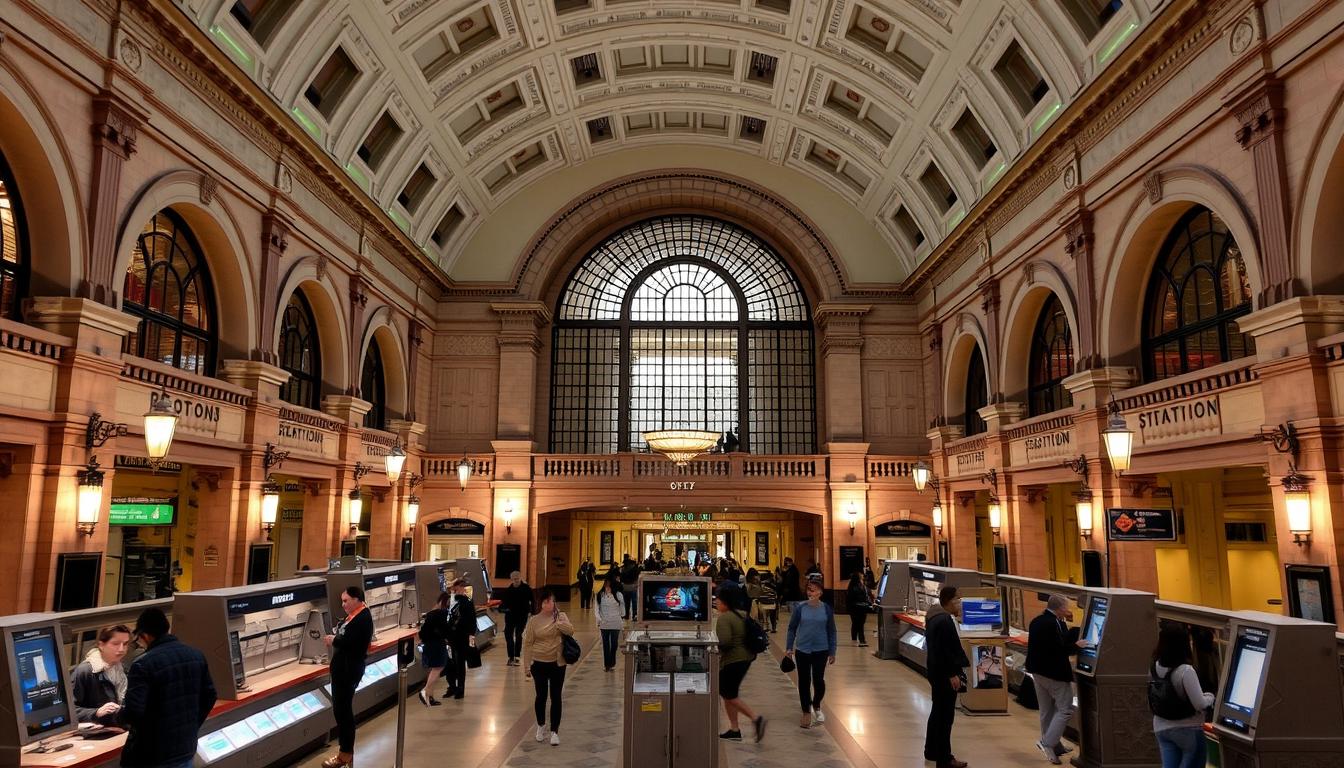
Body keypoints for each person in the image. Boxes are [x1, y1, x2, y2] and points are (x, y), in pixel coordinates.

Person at [118, 607, 216, 768]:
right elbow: (210, 695)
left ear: (146, 635)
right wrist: (190, 725)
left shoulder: (143, 665)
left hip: (152, 755)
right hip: (185, 749)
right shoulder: (196, 655)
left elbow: (133, 712)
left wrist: (115, 718)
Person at [1026, 594, 1086, 764]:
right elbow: (1057, 649)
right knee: (1065, 708)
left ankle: (1054, 747)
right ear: (1059, 608)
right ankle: (1047, 743)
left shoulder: (1038, 621)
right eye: (1066, 607)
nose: (1068, 610)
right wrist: (1077, 646)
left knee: (1047, 710)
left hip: (1037, 672)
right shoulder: (1051, 624)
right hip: (1053, 674)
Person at [1151, 623, 1214, 768]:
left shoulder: (1155, 666)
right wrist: (1210, 697)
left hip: (1161, 727)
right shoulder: (1185, 671)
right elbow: (1199, 704)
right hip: (1188, 730)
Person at [322, 586, 372, 768]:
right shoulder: (355, 617)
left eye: (346, 601)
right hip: (343, 668)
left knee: (343, 712)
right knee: (341, 710)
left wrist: (333, 640)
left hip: (348, 670)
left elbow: (353, 643)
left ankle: (345, 754)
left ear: (357, 599)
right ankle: (346, 753)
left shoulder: (362, 619)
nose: (343, 605)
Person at [714, 581, 766, 742]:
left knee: (728, 693)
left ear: (725, 603)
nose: (716, 602)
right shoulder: (742, 614)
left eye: (718, 601)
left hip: (733, 660)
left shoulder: (724, 619)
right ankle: (734, 728)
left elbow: (725, 641)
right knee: (729, 692)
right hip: (746, 657)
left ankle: (755, 718)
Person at [924, 586, 969, 768]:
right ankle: (944, 758)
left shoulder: (934, 617)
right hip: (944, 675)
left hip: (935, 672)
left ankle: (931, 750)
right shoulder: (944, 621)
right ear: (950, 600)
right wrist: (952, 674)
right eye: (958, 599)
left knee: (937, 712)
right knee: (945, 717)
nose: (960, 603)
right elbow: (945, 651)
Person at [522, 588, 574, 746]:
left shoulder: (561, 616)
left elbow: (571, 631)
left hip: (558, 663)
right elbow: (528, 644)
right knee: (541, 696)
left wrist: (559, 623)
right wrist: (526, 666)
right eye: (546, 601)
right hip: (539, 663)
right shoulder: (534, 621)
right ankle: (540, 725)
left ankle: (555, 731)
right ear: (541, 603)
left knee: (556, 696)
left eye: (551, 601)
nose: (550, 604)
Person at [786, 577, 836, 728]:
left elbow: (831, 631)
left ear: (820, 592)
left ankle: (816, 704)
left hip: (821, 650)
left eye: (813, 589)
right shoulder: (800, 608)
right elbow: (792, 628)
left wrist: (832, 651)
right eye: (808, 589)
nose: (810, 592)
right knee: (804, 681)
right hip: (802, 650)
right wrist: (789, 648)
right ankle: (806, 712)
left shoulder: (826, 609)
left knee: (818, 680)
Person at [71, 624, 132, 725]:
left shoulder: (124, 670)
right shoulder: (85, 671)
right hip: (97, 733)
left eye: (125, 644)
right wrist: (96, 712)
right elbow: (70, 711)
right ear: (101, 645)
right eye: (116, 644)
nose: (122, 649)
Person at [417, 593, 451, 707]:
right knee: (438, 668)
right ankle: (425, 691)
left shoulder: (430, 614)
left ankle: (430, 696)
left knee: (434, 670)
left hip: (429, 644)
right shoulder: (442, 614)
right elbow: (446, 630)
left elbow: (422, 632)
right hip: (437, 644)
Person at [443, 578, 475, 699]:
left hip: (462, 637)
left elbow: (472, 621)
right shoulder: (450, 601)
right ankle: (452, 686)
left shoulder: (466, 601)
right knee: (450, 662)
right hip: (451, 636)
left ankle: (460, 688)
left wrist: (471, 640)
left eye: (456, 589)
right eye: (453, 590)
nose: (454, 592)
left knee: (460, 663)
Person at [499, 571, 534, 666]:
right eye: (514, 579)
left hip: (522, 616)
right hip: (510, 616)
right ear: (512, 579)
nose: (516, 580)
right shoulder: (509, 590)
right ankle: (511, 656)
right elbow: (504, 603)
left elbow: (532, 600)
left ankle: (517, 656)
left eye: (517, 578)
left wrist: (532, 612)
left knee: (519, 635)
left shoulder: (526, 589)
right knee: (508, 634)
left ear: (520, 578)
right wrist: (502, 609)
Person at [594, 576, 625, 671]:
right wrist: (599, 620)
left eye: (609, 585)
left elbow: (622, 608)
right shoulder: (600, 595)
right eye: (606, 584)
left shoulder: (618, 595)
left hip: (615, 623)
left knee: (614, 644)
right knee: (606, 645)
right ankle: (607, 665)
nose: (607, 587)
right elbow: (596, 609)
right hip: (604, 624)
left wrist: (622, 616)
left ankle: (612, 661)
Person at [845, 570, 872, 647]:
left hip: (856, 608)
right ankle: (862, 640)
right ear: (858, 577)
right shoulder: (858, 587)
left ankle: (854, 638)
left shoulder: (853, 586)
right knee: (860, 624)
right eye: (861, 575)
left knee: (856, 623)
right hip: (858, 608)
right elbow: (860, 597)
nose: (862, 575)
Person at [620, 555, 640, 620]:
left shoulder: (623, 569)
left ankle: (626, 615)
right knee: (634, 602)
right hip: (633, 587)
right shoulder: (634, 569)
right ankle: (634, 615)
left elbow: (621, 579)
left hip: (625, 587)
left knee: (626, 603)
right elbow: (637, 577)